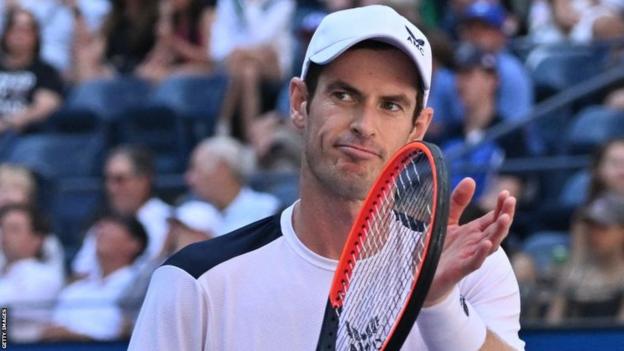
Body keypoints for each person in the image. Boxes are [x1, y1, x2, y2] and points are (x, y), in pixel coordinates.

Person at [129, 5, 523, 350]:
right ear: (300, 103)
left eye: (390, 105)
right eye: (344, 95)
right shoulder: (194, 283)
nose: (364, 125)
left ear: (418, 127)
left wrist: (438, 304)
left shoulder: (474, 268)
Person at [41, 213, 147, 341]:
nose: (102, 231)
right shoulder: (74, 290)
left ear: (134, 244)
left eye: (113, 226)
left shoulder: (142, 287)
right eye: (101, 226)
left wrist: (77, 337)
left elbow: (129, 336)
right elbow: (52, 332)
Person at [71, 145, 171, 279]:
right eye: (108, 180)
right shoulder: (102, 225)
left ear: (144, 180)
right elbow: (80, 273)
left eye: (120, 180)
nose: (111, 188)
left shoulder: (168, 222)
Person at [546, 194, 624, 323]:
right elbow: (552, 327)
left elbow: (619, 336)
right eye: (591, 227)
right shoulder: (572, 276)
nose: (594, 234)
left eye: (603, 228)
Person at [184, 135, 281, 236]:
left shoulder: (267, 210)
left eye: (197, 170)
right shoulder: (190, 215)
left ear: (222, 171)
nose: (189, 179)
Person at [0, 204, 64, 342]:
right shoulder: (4, 270)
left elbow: (7, 309)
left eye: (14, 230)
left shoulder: (46, 276)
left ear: (37, 240)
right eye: (3, 229)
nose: (5, 236)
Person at [0, 8, 63, 134]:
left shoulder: (46, 71)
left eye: (26, 30)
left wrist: (7, 123)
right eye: (15, 28)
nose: (19, 35)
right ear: (6, 33)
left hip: (21, 136)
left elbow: (46, 105)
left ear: (36, 36)